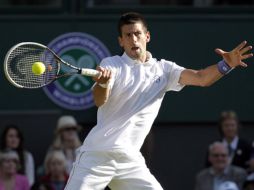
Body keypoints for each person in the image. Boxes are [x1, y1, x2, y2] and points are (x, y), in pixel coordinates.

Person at [64, 12, 253, 190]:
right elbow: (99, 101)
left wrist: (226, 64)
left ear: (147, 36)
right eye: (128, 35)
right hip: (97, 155)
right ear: (121, 41)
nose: (133, 39)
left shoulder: (164, 70)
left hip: (130, 160)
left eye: (137, 33)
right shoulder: (110, 64)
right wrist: (103, 84)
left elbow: (201, 78)